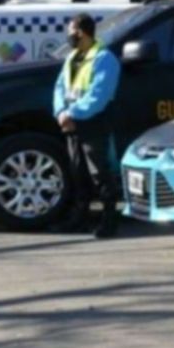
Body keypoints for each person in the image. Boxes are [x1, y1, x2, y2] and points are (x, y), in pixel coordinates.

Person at [53, 14, 123, 238]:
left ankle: (109, 219)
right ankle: (80, 218)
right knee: (77, 173)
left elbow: (99, 95)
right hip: (72, 123)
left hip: (93, 122)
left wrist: (72, 113)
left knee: (99, 173)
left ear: (81, 32)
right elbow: (59, 88)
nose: (68, 36)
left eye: (70, 31)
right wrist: (61, 112)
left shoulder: (103, 58)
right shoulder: (72, 57)